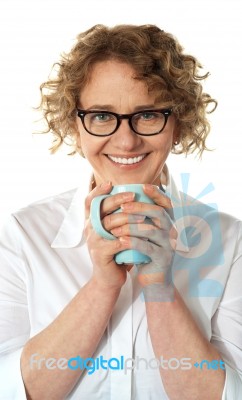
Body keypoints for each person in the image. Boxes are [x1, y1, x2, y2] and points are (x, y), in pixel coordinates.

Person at [0, 24, 241, 400]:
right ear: (74, 124)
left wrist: (159, 286)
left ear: (177, 125)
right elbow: (12, 391)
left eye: (147, 115)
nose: (126, 140)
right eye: (101, 116)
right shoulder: (23, 234)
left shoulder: (229, 241)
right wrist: (102, 286)